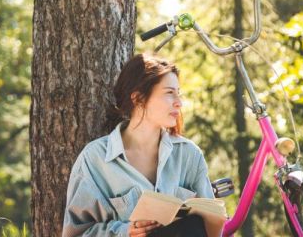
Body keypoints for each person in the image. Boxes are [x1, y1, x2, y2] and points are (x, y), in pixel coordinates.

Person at [62, 53, 214, 237]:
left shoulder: (189, 155)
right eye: (169, 93)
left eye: (178, 93)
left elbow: (209, 223)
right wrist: (126, 231)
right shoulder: (95, 159)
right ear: (138, 98)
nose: (179, 103)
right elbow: (76, 233)